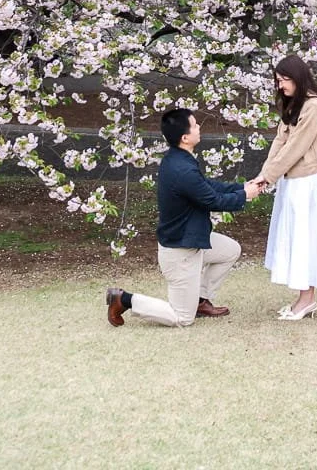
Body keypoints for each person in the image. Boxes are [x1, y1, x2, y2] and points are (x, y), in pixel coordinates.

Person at [105, 107, 263, 327]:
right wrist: (245, 195)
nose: (199, 127)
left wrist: (242, 187)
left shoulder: (179, 159)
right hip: (180, 252)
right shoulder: (182, 169)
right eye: (195, 125)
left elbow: (207, 186)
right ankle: (124, 299)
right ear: (185, 137)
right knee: (182, 318)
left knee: (230, 250)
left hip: (191, 240)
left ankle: (199, 300)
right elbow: (213, 201)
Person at [253, 54, 317, 320]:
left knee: (305, 238)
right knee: (295, 237)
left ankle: (307, 300)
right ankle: (303, 298)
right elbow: (280, 142)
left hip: (308, 182)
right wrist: (264, 175)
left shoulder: (314, 107)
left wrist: (268, 177)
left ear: (297, 78)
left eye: (284, 80)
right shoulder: (294, 106)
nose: (281, 86)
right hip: (292, 181)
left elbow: (296, 147)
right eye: (278, 81)